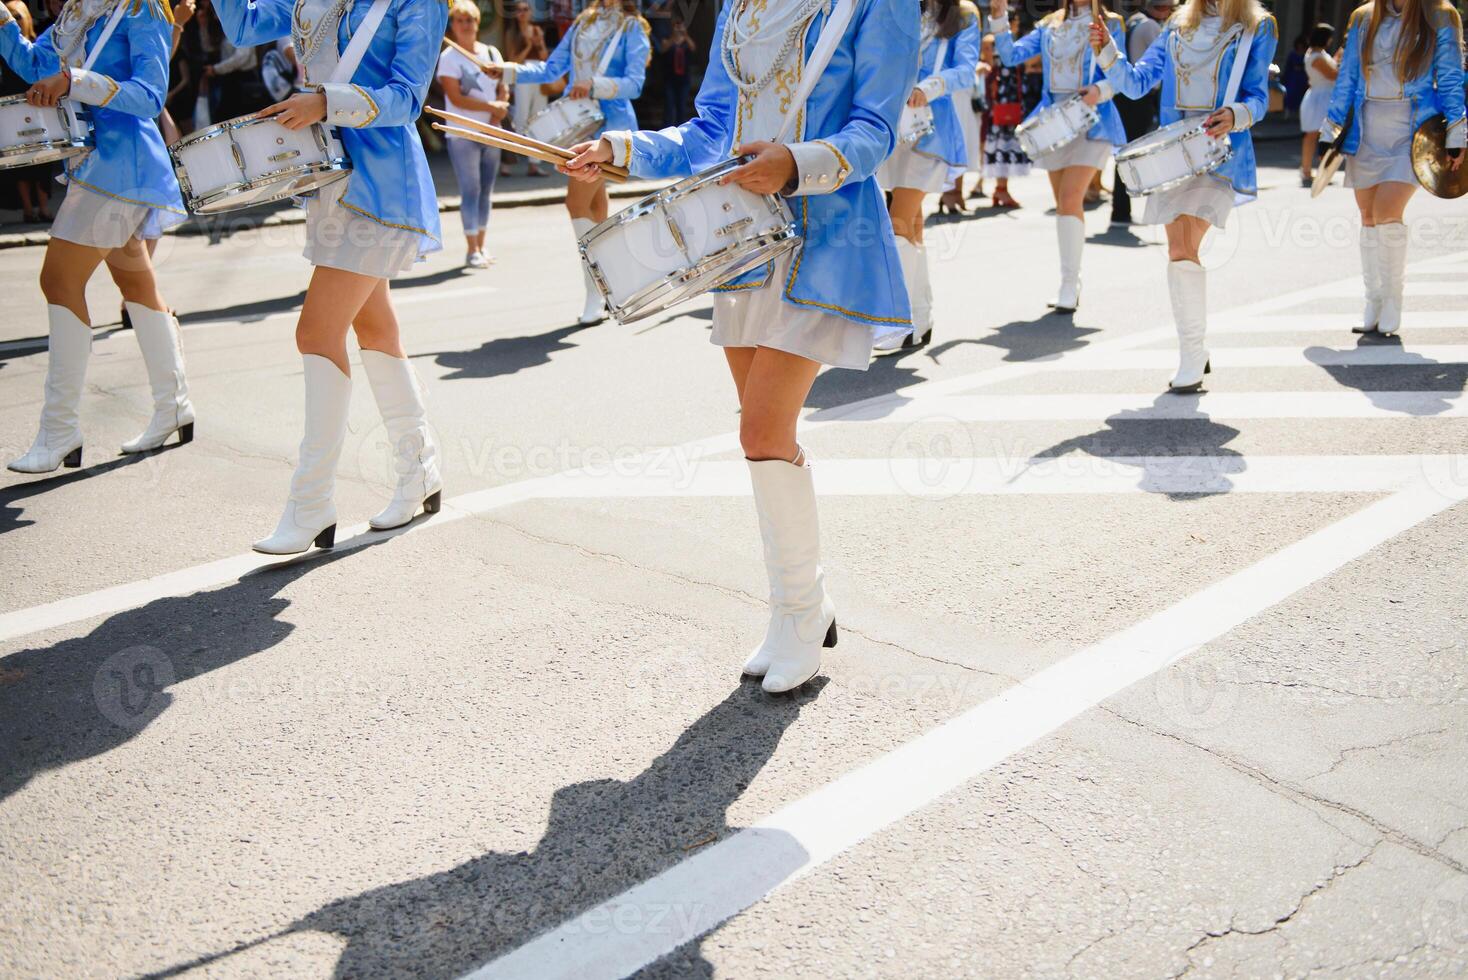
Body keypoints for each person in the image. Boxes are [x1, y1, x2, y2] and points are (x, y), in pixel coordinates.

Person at [561, 0, 919, 692]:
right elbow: (710, 134)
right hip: (741, 246)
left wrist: (796, 161)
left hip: (826, 240)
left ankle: (798, 614)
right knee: (764, 440)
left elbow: (876, 130)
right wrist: (621, 150)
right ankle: (802, 606)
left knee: (761, 429)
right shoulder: (742, 6)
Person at [214, 0, 449, 553]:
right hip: (330, 182)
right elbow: (244, 26)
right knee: (376, 332)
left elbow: (408, 98)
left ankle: (312, 503)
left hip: (382, 187)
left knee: (315, 334)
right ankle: (420, 471)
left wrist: (324, 101)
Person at [1, 0, 194, 474]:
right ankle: (174, 405)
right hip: (95, 166)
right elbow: (32, 65)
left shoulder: (143, 9)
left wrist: (74, 82)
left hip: (118, 166)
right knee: (138, 288)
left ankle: (59, 430)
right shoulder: (78, 11)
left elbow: (150, 95)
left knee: (59, 281)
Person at [1093, 0, 1277, 393]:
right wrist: (1107, 51)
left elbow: (1259, 95)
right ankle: (1194, 348)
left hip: (1220, 153)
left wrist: (1238, 113)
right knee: (1178, 250)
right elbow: (1138, 82)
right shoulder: (1178, 22)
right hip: (1173, 155)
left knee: (1184, 246)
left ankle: (1191, 356)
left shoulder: (1257, 26)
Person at [485, 0, 649, 325]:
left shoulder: (633, 28)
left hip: (610, 129)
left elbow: (635, 83)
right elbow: (550, 69)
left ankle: (595, 292)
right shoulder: (582, 22)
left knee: (575, 203)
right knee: (595, 207)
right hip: (581, 124)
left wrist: (595, 85)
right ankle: (605, 288)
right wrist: (506, 70)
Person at [1322, 0, 1464, 338]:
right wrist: (1333, 129)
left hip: (1412, 132)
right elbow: (1348, 77)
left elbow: (1449, 77)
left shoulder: (1440, 14)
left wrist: (1457, 132)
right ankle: (1373, 301)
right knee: (1368, 217)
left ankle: (1393, 303)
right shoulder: (1363, 16)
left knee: (1387, 212)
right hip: (1367, 130)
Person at [993, 0, 1126, 315]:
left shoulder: (1112, 23)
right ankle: (1072, 277)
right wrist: (998, 18)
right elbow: (1011, 56)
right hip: (1053, 123)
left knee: (1069, 198)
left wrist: (1100, 90)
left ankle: (1069, 284)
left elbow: (1122, 75)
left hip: (1092, 119)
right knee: (1065, 204)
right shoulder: (1048, 25)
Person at [875, 0, 980, 350]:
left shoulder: (963, 13)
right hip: (893, 124)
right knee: (912, 224)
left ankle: (899, 321)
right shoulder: (900, 9)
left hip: (932, 130)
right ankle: (920, 316)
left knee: (898, 221)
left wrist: (928, 88)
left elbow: (967, 70)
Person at [438, 0, 509, 269]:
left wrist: (497, 111)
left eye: (470, 20)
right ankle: (471, 250)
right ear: (453, 25)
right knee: (471, 188)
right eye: (460, 20)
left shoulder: (491, 52)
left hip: (491, 131)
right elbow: (455, 96)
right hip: (462, 133)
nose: (466, 25)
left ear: (478, 23)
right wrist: (491, 107)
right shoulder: (448, 59)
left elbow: (504, 85)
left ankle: (481, 244)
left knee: (486, 191)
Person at [1110, 0, 1171, 227]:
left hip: (1124, 95)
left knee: (1124, 154)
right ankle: (1122, 210)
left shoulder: (1133, 21)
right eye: (1167, 8)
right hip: (1139, 98)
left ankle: (1120, 209)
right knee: (1132, 155)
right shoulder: (1152, 28)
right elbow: (1166, 64)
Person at [984, 23, 1028, 207]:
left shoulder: (1016, 44)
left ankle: (1001, 189)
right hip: (1000, 99)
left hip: (1011, 98)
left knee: (1006, 144)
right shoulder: (991, 41)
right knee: (1001, 143)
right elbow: (987, 64)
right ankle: (1000, 189)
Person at [503, 1, 549, 176]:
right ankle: (509, 160)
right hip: (522, 75)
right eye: (519, 10)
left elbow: (544, 57)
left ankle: (534, 163)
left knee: (538, 117)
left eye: (525, 9)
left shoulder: (537, 30)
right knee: (520, 117)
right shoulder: (511, 33)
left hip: (538, 74)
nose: (522, 13)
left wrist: (539, 44)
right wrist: (529, 46)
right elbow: (513, 59)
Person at [1298, 23, 1337, 186]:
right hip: (1320, 98)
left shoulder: (1316, 53)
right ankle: (1309, 170)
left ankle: (1311, 169)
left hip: (1319, 95)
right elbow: (1334, 75)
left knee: (1317, 135)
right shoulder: (1317, 56)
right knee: (1315, 135)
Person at [659, 16, 694, 125]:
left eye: (680, 26)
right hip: (670, 79)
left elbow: (693, 48)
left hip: (683, 79)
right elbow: (663, 49)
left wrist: (685, 35)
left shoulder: (686, 40)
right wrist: (673, 37)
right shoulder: (667, 38)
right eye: (676, 26)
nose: (678, 28)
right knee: (669, 106)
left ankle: (680, 128)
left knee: (681, 106)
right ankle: (667, 128)